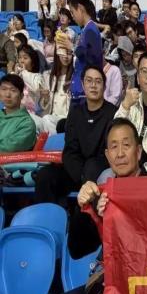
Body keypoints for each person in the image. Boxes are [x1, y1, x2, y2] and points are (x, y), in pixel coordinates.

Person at [42, 118, 147, 294]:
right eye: (114, 147)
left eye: (126, 145)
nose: (120, 153)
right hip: (103, 286)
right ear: (107, 156)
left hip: (142, 290)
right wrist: (84, 207)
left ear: (138, 151)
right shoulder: (103, 192)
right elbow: (77, 249)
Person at [34, 65, 117, 204]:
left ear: (104, 86)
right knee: (45, 175)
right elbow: (70, 150)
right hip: (76, 173)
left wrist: (87, 175)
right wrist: (80, 175)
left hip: (99, 171)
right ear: (83, 85)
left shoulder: (113, 113)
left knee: (92, 167)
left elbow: (108, 152)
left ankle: (83, 214)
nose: (93, 85)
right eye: (89, 81)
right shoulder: (75, 112)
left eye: (98, 81)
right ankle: (48, 215)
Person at [59, 0, 102, 103]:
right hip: (80, 89)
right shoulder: (86, 29)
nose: (72, 16)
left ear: (80, 8)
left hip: (84, 93)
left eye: (72, 12)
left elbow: (92, 59)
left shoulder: (91, 30)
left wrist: (72, 47)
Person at [39, 47, 73, 134]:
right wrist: (45, 98)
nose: (66, 56)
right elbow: (42, 107)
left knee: (47, 119)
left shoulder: (75, 77)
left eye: (69, 53)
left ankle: (56, 141)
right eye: (63, 53)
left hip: (67, 119)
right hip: (52, 117)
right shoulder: (47, 75)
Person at [0, 74, 36, 153]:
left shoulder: (27, 124)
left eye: (13, 90)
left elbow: (9, 148)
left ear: (21, 95)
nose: (7, 95)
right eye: (4, 89)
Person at [15, 44, 45, 115]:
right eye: (20, 57)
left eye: (25, 58)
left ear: (33, 63)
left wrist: (24, 72)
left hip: (31, 113)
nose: (22, 61)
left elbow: (36, 88)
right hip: (17, 110)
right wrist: (15, 75)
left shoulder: (38, 77)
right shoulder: (18, 75)